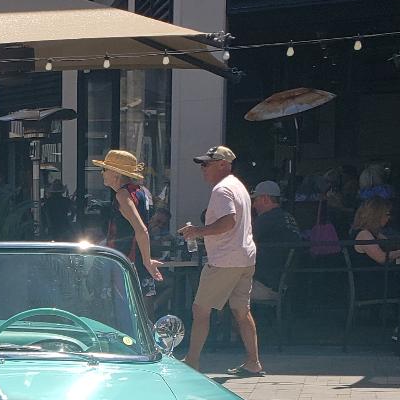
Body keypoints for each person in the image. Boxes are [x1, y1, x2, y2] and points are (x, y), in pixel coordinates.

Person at [179, 145, 262, 376]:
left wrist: (197, 231)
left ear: (223, 165)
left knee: (200, 310)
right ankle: (253, 362)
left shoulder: (222, 189)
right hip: (245, 257)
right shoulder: (239, 186)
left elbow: (228, 222)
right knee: (241, 311)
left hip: (225, 260)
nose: (203, 169)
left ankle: (192, 361)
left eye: (207, 164)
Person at [92, 149, 164, 304]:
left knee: (120, 310)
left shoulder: (123, 195)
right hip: (135, 259)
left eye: (104, 169)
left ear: (116, 174)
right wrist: (146, 260)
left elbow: (141, 229)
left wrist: (147, 261)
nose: (102, 173)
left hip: (125, 261)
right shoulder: (141, 192)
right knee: (141, 309)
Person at [250, 180, 300, 301]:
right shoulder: (289, 218)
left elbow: (242, 245)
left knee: (219, 285)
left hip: (264, 287)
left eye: (255, 200)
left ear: (265, 199)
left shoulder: (266, 220)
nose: (253, 205)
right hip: (283, 287)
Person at [352, 197, 400, 267]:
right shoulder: (364, 234)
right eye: (386, 214)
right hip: (371, 273)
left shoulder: (375, 232)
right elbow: (382, 258)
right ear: (377, 215)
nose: (388, 217)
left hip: (383, 270)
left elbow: (390, 246)